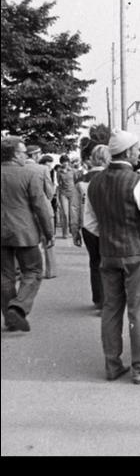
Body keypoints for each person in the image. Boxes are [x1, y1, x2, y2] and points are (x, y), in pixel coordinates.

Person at [85, 129, 140, 384]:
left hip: (108, 253)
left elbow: (89, 223)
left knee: (111, 309)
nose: (139, 153)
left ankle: (112, 365)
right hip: (135, 253)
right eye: (137, 149)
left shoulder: (95, 183)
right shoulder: (138, 182)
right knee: (139, 310)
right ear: (129, 152)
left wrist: (109, 234)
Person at [1, 136, 55, 332]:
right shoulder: (28, 175)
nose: (25, 156)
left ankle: (9, 317)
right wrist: (49, 233)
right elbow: (40, 207)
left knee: (5, 276)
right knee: (32, 271)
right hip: (25, 232)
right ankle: (18, 307)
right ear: (15, 154)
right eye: (23, 152)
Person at [71, 144, 111, 312]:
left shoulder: (81, 180)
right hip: (108, 226)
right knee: (109, 264)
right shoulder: (110, 177)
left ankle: (98, 298)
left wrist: (75, 230)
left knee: (95, 263)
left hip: (88, 227)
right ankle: (109, 298)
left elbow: (75, 207)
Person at [26, 145, 57, 279]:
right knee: (48, 240)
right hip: (44, 207)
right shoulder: (43, 169)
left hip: (26, 210)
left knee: (31, 242)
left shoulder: (19, 169)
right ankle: (50, 271)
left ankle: (33, 270)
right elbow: (49, 193)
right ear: (35, 155)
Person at [56, 154, 79, 238]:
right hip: (63, 193)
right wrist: (58, 198)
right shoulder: (59, 171)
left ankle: (73, 231)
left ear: (68, 162)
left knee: (73, 213)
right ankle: (65, 232)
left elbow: (76, 182)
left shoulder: (73, 171)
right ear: (61, 162)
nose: (65, 163)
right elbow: (58, 184)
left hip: (72, 193)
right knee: (65, 213)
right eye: (63, 162)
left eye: (66, 161)